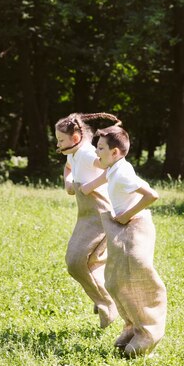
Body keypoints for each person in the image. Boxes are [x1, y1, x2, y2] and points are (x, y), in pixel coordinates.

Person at [81, 123, 167, 358]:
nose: (96, 152)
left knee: (138, 274)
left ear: (115, 152)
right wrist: (84, 186)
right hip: (122, 227)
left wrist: (127, 214)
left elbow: (152, 195)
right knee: (115, 281)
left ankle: (148, 332)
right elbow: (99, 179)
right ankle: (132, 327)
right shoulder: (113, 168)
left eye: (100, 148)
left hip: (136, 226)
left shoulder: (123, 172)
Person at [55, 112, 119, 328]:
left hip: (101, 214)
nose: (58, 144)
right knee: (83, 261)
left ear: (75, 139)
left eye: (61, 140)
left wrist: (92, 185)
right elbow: (68, 168)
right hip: (85, 216)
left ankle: (107, 304)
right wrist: (68, 182)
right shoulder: (73, 155)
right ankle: (103, 294)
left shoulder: (85, 154)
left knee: (76, 262)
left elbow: (111, 167)